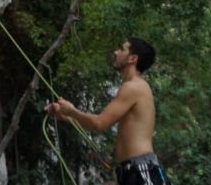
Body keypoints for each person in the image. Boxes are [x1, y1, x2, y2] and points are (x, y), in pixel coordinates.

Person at [46, 37, 171, 184]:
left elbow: (99, 124)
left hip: (141, 171)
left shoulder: (133, 87)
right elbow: (102, 121)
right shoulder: (135, 87)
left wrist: (71, 110)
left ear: (132, 58)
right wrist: (68, 118)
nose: (116, 52)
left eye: (122, 49)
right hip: (133, 171)